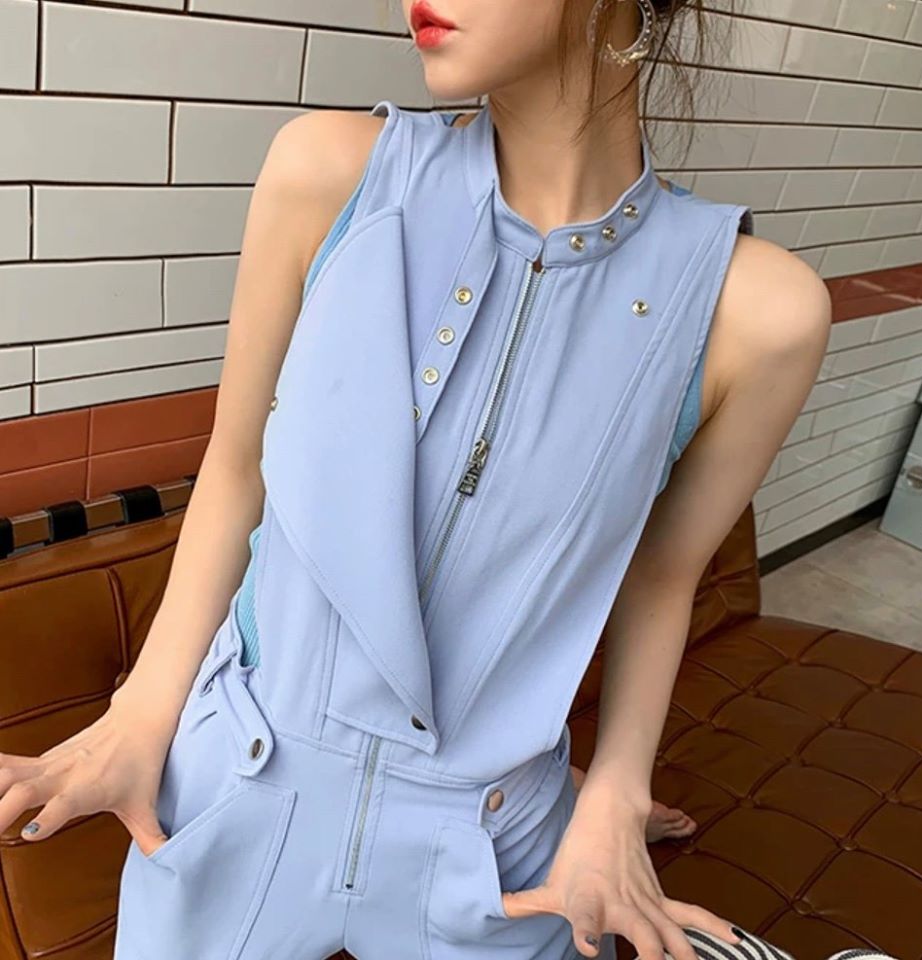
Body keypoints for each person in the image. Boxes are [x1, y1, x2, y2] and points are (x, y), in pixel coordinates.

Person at [0, 1, 837, 959]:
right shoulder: (325, 174)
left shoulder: (759, 312)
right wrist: (140, 715)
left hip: (501, 846)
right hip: (239, 783)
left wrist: (613, 799)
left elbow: (659, 574)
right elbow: (236, 470)